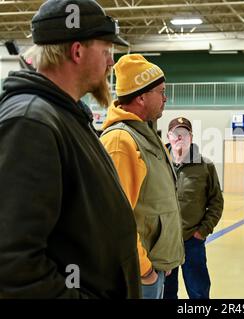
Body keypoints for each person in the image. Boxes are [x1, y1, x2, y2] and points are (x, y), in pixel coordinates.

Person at [0, 0, 140, 298]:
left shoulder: (64, 115)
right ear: (77, 51)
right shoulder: (31, 123)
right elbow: (12, 265)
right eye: (106, 51)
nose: (111, 62)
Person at [99, 54, 184, 299]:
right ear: (141, 96)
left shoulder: (145, 135)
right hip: (137, 275)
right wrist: (145, 269)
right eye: (161, 91)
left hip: (153, 268)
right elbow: (114, 218)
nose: (165, 97)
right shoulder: (120, 141)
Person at [163, 117, 224, 299]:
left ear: (191, 136)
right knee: (166, 293)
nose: (180, 137)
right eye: (176, 133)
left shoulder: (205, 166)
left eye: (185, 133)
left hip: (192, 241)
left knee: (198, 292)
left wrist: (202, 231)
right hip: (164, 242)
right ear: (169, 136)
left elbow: (216, 202)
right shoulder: (158, 164)